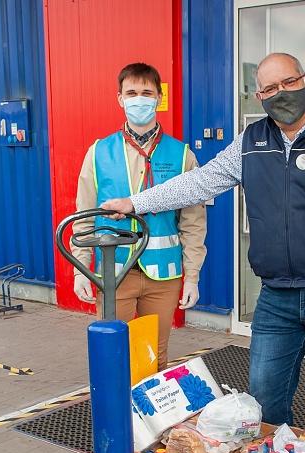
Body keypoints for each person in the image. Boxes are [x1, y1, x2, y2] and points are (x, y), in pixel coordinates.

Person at [100, 53, 305, 427]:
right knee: (263, 397)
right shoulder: (251, 142)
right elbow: (198, 182)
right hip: (277, 297)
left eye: (289, 83)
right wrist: (136, 202)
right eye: (270, 88)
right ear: (259, 96)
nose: (282, 93)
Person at [71, 62, 207, 371]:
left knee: (154, 356)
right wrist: (81, 268)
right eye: (131, 92)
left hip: (164, 275)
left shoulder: (182, 154)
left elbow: (193, 222)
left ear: (159, 98)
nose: (139, 99)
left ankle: (148, 418)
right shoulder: (98, 152)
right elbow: (83, 215)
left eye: (147, 92)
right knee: (112, 355)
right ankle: (118, 418)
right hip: (114, 272)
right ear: (119, 98)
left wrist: (193, 277)